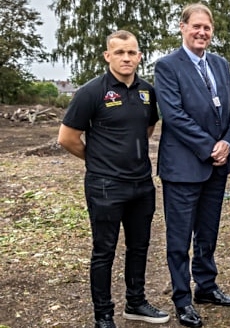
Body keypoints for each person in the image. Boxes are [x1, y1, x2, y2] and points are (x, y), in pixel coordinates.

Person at [57, 30, 169, 328]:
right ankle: (103, 316)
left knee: (139, 246)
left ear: (139, 56)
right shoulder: (91, 92)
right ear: (108, 56)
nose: (126, 58)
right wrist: (98, 161)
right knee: (104, 251)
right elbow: (67, 138)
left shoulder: (148, 91)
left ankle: (136, 302)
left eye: (131, 52)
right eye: (119, 52)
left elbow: (148, 128)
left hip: (142, 185)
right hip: (105, 186)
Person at [154, 3, 230, 328]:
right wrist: (209, 147)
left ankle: (206, 286)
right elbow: (174, 116)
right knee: (179, 239)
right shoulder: (167, 66)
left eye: (207, 28)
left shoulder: (220, 64)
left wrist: (227, 144)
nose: (202, 32)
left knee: (208, 232)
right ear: (183, 27)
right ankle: (182, 298)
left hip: (217, 167)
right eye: (196, 27)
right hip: (183, 168)